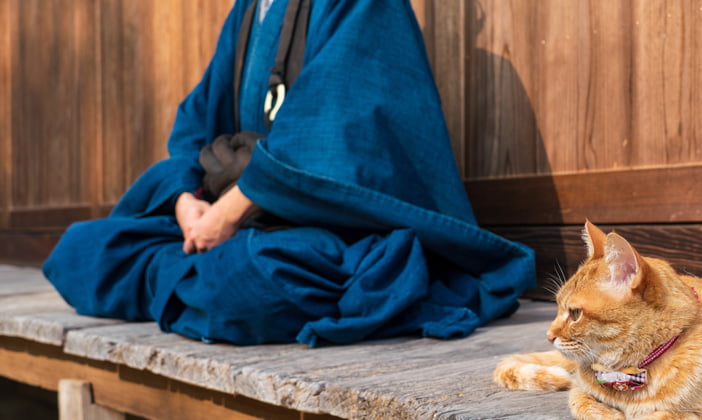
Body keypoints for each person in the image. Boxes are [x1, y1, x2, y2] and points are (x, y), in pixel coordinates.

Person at [43, 0, 536, 347]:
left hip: (331, 224)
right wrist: (185, 202)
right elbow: (198, 117)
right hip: (233, 218)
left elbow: (336, 134)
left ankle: (188, 281)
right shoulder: (249, 9)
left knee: (242, 282)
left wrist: (231, 213)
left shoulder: (367, 5)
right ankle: (194, 277)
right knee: (81, 252)